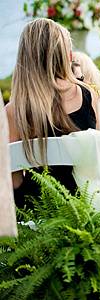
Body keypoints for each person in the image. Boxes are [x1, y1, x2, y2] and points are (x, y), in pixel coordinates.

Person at [5, 18, 98, 209]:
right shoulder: (88, 94)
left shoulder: (14, 110)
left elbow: (13, 178)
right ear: (64, 53)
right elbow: (99, 157)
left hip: (38, 207)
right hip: (87, 203)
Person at [0, 90, 17, 237]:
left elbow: (15, 181)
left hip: (27, 207)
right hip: (83, 198)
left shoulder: (11, 111)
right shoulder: (87, 96)